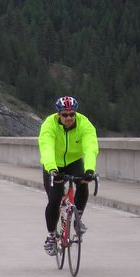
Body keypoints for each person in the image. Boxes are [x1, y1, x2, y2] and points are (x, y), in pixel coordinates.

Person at [38, 96, 99, 256]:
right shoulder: (49, 125)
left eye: (72, 114)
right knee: (55, 198)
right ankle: (51, 236)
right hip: (53, 164)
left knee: (83, 183)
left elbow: (91, 146)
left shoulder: (84, 124)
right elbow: (46, 148)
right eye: (64, 115)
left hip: (74, 161)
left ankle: (77, 218)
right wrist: (52, 169)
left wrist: (90, 169)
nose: (69, 118)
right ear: (58, 114)